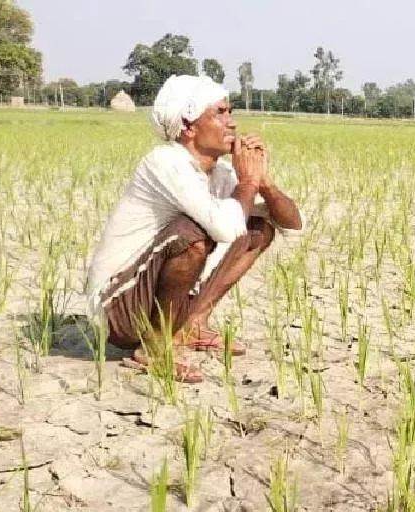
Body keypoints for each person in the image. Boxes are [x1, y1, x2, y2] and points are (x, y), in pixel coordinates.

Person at [84, 75, 303, 383]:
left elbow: (292, 224)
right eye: (220, 113)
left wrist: (264, 183)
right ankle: (156, 349)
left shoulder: (220, 173)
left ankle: (192, 325)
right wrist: (248, 183)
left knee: (258, 227)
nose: (232, 123)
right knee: (191, 235)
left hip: (144, 294)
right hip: (117, 305)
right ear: (188, 127)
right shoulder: (165, 162)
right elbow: (225, 227)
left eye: (230, 112)